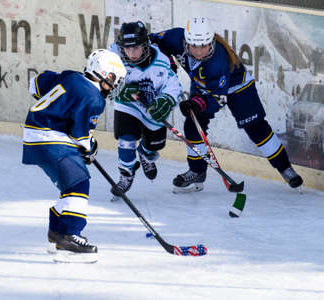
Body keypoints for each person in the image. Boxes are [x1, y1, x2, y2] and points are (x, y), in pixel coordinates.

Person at [150, 17, 303, 192]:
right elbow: (151, 41)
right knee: (193, 125)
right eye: (194, 46)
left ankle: (285, 167)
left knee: (256, 128)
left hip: (238, 87)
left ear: (211, 42)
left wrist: (197, 103)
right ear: (186, 42)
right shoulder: (176, 37)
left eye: (204, 46)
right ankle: (197, 171)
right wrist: (166, 60)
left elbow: (217, 99)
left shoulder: (217, 61)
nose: (199, 52)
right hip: (203, 85)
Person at [21, 49, 126, 262]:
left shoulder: (71, 76)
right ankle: (69, 236)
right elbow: (80, 137)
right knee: (79, 184)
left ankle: (57, 233)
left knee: (70, 187)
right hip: (49, 137)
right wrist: (90, 148)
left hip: (36, 134)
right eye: (115, 80)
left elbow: (36, 83)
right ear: (106, 74)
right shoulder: (93, 97)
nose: (115, 86)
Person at [108, 21, 183, 198]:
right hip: (128, 106)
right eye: (127, 48)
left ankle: (145, 153)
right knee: (125, 140)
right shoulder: (112, 57)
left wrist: (165, 101)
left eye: (136, 48)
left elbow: (173, 86)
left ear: (145, 45)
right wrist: (117, 89)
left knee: (154, 146)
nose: (131, 53)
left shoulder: (161, 60)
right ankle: (126, 175)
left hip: (152, 108)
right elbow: (99, 78)